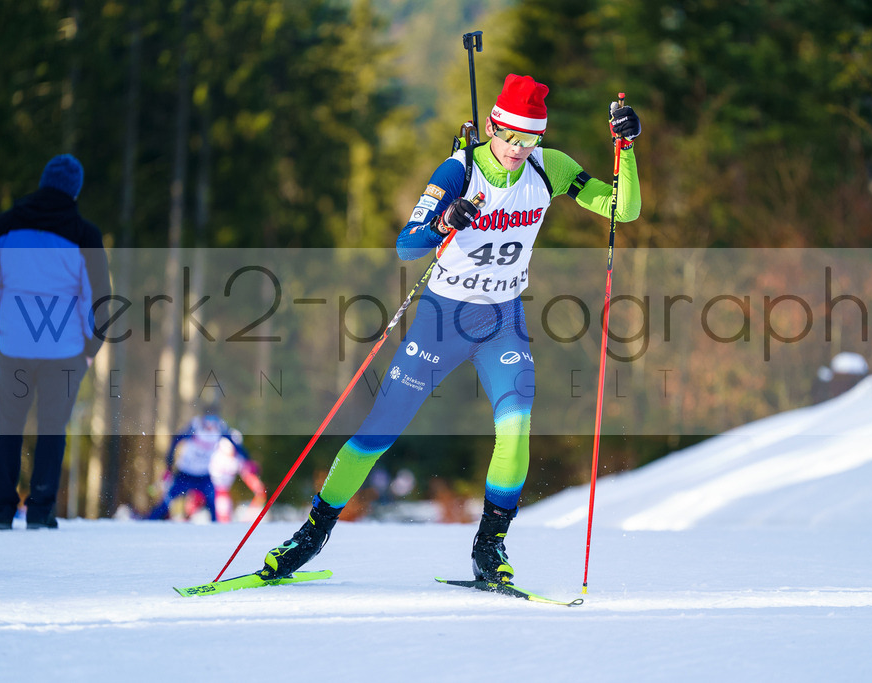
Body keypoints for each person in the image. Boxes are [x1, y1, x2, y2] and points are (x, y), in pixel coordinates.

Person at [259, 74, 642, 583]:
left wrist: (627, 150)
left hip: (503, 319)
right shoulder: (459, 169)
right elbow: (406, 245)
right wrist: (445, 221)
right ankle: (309, 535)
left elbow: (623, 208)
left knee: (517, 424)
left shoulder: (549, 168)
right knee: (380, 431)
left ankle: (490, 548)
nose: (516, 149)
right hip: (442, 318)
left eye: (529, 139)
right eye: (509, 137)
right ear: (491, 127)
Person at [0, 154, 111, 530]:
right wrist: (93, 347)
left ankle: (0, 511)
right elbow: (99, 298)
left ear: (44, 181)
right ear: (74, 189)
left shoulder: (5, 226)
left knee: (8, 425)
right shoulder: (84, 234)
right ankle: (41, 511)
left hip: (12, 345)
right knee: (52, 427)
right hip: (63, 350)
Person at [148, 405, 253, 522]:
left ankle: (216, 534)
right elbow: (176, 440)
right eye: (208, 419)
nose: (210, 424)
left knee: (212, 505)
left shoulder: (220, 428)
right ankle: (149, 522)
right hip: (185, 473)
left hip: (204, 475)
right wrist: (169, 463)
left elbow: (236, 445)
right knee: (167, 501)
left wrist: (247, 460)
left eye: (213, 419)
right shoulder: (195, 426)